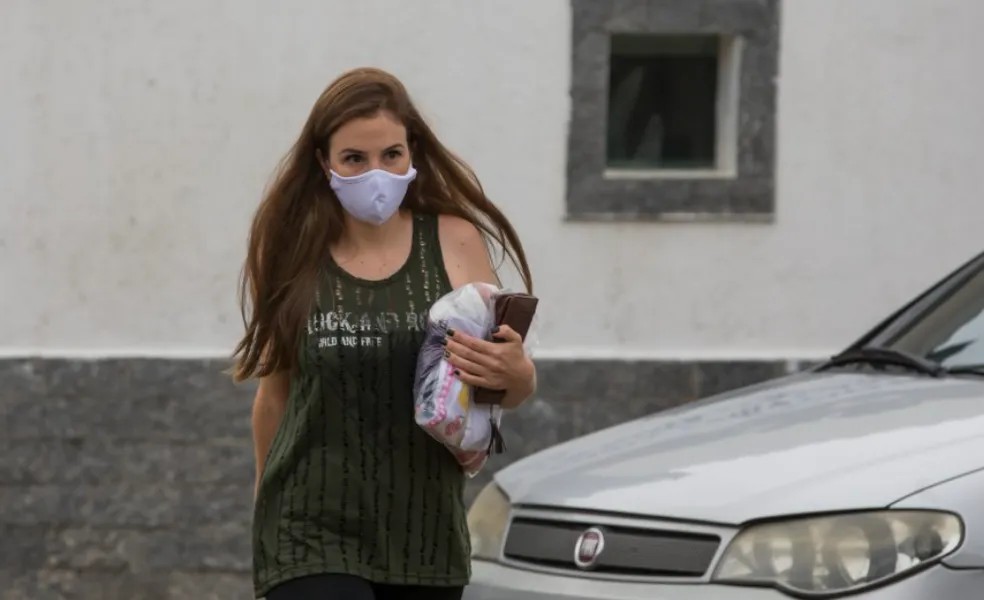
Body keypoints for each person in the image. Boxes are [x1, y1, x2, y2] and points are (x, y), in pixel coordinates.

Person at [231, 67, 536, 600]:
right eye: (355, 158)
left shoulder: (454, 240)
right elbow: (274, 394)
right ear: (324, 161)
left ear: (412, 152)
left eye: (391, 155)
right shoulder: (289, 250)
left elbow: (495, 387)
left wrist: (518, 374)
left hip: (423, 532)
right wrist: (265, 506)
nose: (377, 172)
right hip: (308, 528)